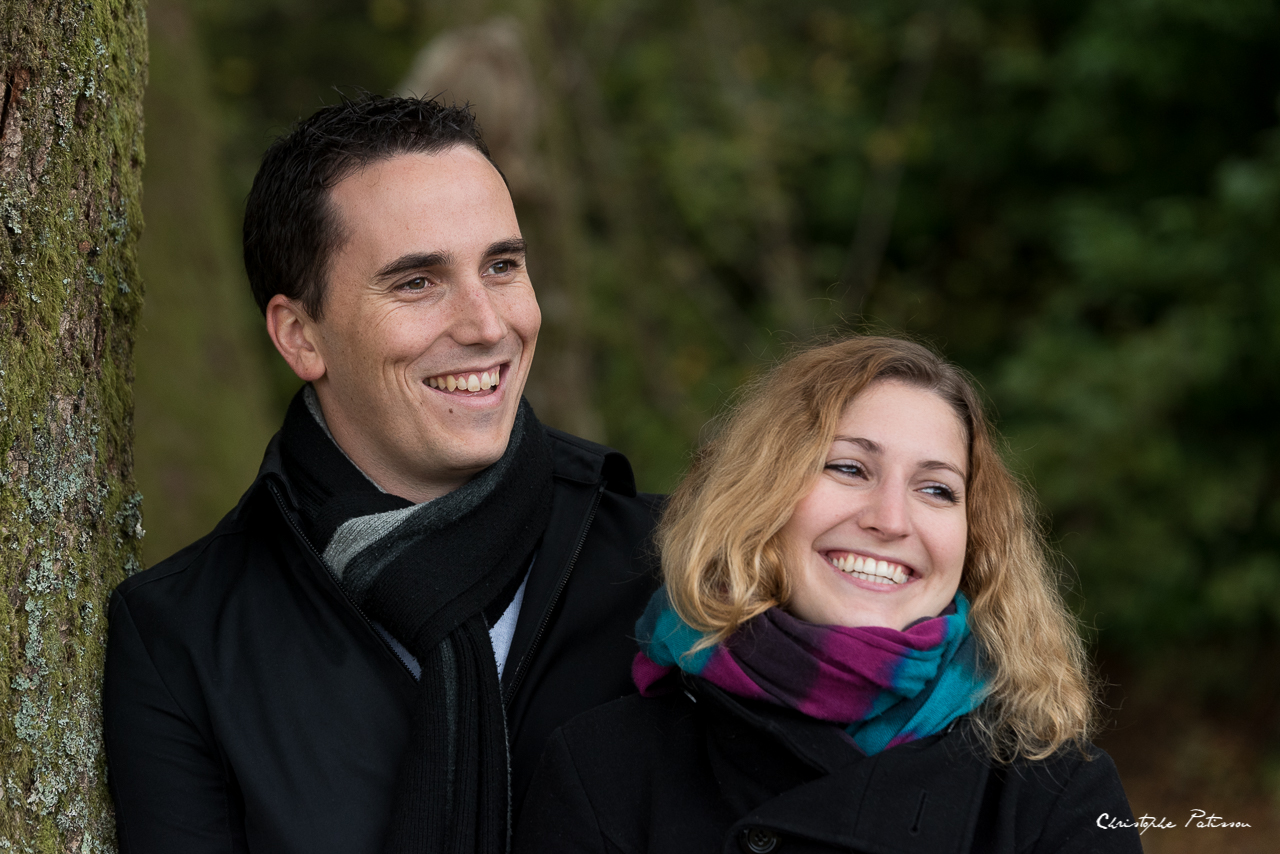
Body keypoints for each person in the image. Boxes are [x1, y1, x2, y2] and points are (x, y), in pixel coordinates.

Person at [103, 95, 661, 854]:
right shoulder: (183, 641)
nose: (486, 324)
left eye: (501, 266)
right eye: (416, 282)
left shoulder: (675, 566)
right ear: (300, 336)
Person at [515, 336, 1143, 854]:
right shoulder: (606, 768)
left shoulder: (1052, 791)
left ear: (974, 541)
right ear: (759, 497)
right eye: (848, 468)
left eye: (936, 489)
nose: (890, 519)